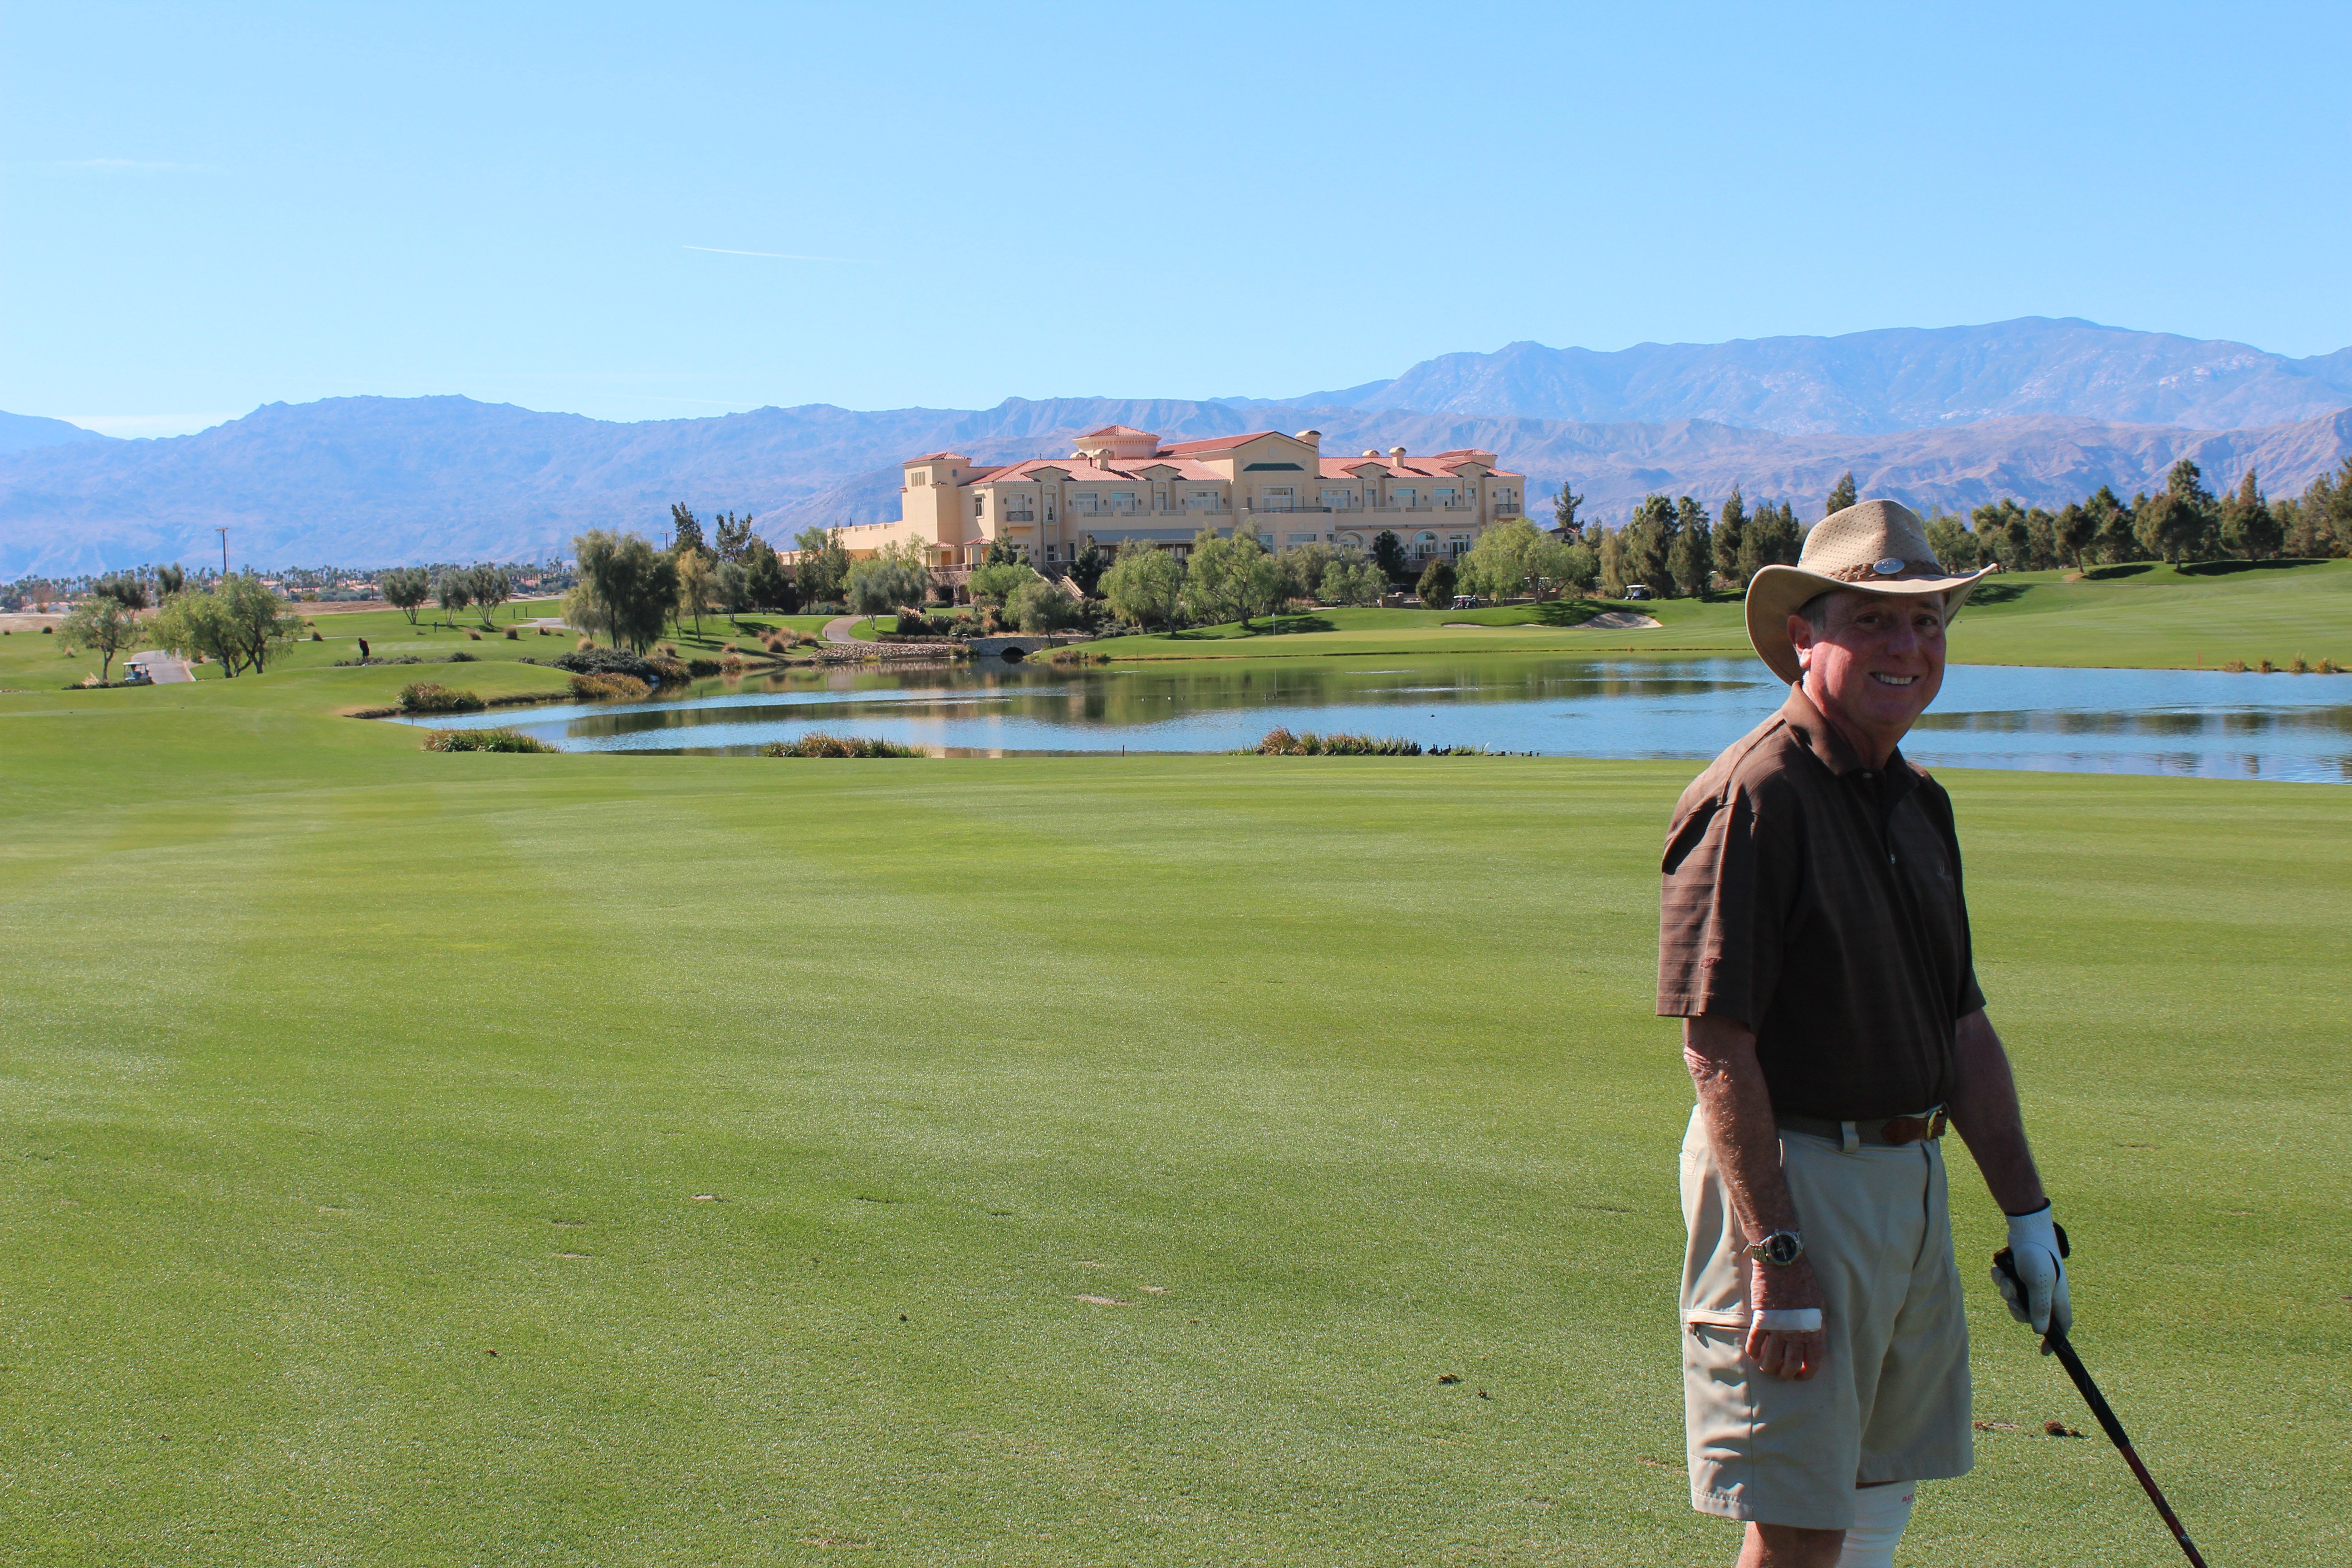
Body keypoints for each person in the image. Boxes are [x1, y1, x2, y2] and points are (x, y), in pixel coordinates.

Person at [1656, 500, 2073, 1568]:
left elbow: (1961, 1027)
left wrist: (2029, 1215)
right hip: (1797, 1183)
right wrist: (1777, 1256)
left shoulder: (1916, 801)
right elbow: (1716, 1045)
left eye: (1928, 621)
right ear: (1806, 635)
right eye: (1875, 620)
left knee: (1874, 1501)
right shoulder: (1757, 794)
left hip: (1907, 1176)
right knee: (1799, 1525)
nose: (1910, 646)